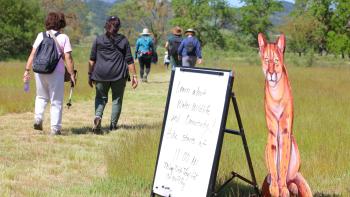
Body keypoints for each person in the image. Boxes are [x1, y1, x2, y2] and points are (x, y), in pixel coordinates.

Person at [23, 12, 76, 135]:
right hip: (56, 73)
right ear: (60, 23)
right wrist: (72, 74)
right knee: (56, 100)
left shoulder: (40, 35)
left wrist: (26, 70)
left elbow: (32, 54)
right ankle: (55, 129)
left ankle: (38, 118)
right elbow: (68, 58)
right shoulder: (64, 38)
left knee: (41, 96)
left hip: (39, 71)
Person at [88, 16, 138, 134]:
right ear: (118, 27)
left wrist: (90, 75)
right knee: (117, 100)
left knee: (100, 98)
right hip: (118, 74)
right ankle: (112, 125)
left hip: (100, 74)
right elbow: (129, 60)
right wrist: (134, 76)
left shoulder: (98, 39)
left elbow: (92, 60)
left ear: (106, 26)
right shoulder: (124, 40)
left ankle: (98, 117)